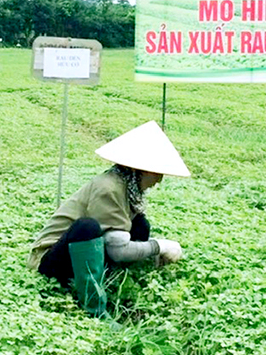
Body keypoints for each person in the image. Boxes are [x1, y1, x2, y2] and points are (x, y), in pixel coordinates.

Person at [28, 121, 189, 319]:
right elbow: (117, 249)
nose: (159, 180)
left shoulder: (127, 186)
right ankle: (94, 309)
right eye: (158, 173)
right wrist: (159, 246)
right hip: (52, 260)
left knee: (140, 224)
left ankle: (114, 284)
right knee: (87, 227)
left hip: (82, 253)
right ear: (144, 170)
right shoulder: (109, 188)